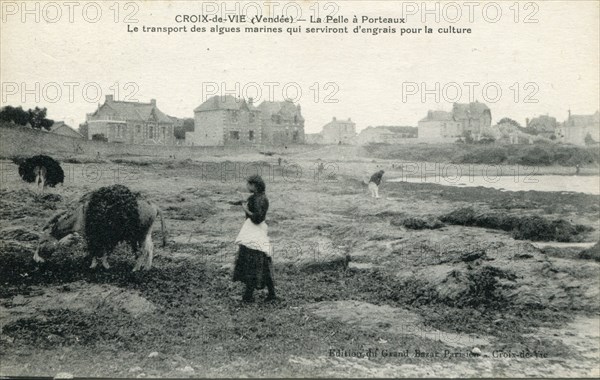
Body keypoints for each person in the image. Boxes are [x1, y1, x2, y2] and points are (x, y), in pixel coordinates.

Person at [232, 175, 276, 302]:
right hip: (257, 233)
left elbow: (257, 218)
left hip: (254, 233)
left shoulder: (258, 199)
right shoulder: (259, 197)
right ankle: (270, 294)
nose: (247, 186)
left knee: (251, 262)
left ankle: (248, 296)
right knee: (262, 263)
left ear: (254, 185)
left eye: (249, 184)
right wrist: (241, 203)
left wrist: (245, 208)